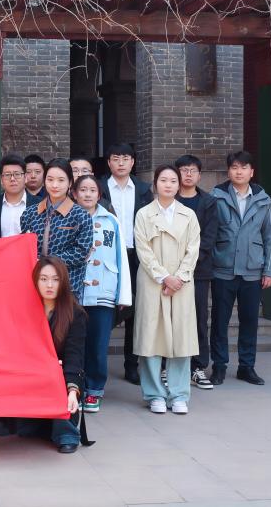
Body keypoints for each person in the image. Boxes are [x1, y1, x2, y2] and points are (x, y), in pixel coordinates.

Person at [0, 256, 87, 453]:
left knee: (55, 373)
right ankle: (40, 425)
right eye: (44, 279)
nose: (49, 285)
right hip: (28, 377)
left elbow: (75, 356)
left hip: (59, 378)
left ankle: (66, 432)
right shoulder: (24, 309)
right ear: (36, 281)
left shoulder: (75, 314)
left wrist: (73, 391)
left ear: (63, 282)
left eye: (55, 279)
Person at [134, 165, 201, 414]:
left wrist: (179, 278)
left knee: (181, 338)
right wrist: (164, 277)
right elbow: (143, 250)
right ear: (155, 184)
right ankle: (154, 394)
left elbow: (193, 249)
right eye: (163, 180)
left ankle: (179, 394)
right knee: (151, 337)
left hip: (181, 285)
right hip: (154, 282)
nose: (169, 185)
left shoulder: (188, 215)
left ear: (179, 185)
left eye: (173, 180)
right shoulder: (144, 214)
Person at [209, 151, 271, 386]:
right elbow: (209, 233)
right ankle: (219, 366)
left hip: (252, 271)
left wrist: (269, 270)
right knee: (219, 321)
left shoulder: (263, 200)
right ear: (228, 171)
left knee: (249, 321)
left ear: (251, 172)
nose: (239, 172)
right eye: (234, 167)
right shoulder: (216, 197)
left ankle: (246, 367)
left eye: (244, 167)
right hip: (223, 270)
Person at [72, 175, 131, 413]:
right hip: (74, 292)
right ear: (74, 193)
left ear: (99, 194)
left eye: (92, 190)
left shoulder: (111, 221)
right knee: (75, 345)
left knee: (98, 344)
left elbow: (121, 257)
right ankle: (75, 388)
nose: (87, 194)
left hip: (103, 291)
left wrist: (123, 295)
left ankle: (94, 390)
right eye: (83, 190)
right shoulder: (68, 218)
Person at [99, 142, 154, 385]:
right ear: (109, 162)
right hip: (106, 256)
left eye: (125, 159)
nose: (120, 163)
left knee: (134, 311)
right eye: (115, 158)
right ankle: (97, 363)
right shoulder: (99, 187)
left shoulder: (143, 189)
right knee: (103, 309)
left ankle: (131, 365)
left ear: (132, 162)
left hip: (135, 256)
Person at [175, 154, 220, 390]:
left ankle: (198, 366)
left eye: (192, 170)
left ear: (200, 175)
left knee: (199, 318)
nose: (188, 174)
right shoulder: (168, 200)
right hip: (170, 272)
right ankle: (169, 366)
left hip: (199, 271)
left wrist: (187, 265)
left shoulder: (209, 202)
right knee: (171, 319)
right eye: (184, 170)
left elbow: (209, 238)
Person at [20, 158, 94, 300]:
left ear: (70, 183)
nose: (55, 185)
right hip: (35, 284)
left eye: (61, 180)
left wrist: (47, 262)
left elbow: (81, 252)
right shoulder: (29, 213)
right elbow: (24, 248)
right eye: (50, 179)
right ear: (44, 181)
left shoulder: (81, 216)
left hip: (68, 285)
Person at [0, 153, 39, 237]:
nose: (12, 179)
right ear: (1, 180)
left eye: (17, 174)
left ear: (25, 178)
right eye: (7, 175)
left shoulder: (40, 204)